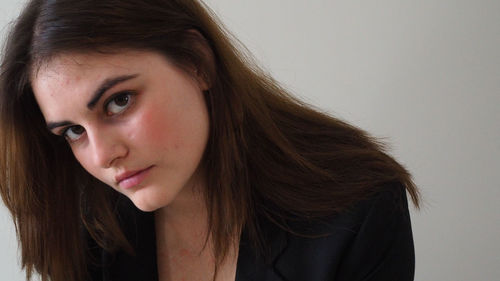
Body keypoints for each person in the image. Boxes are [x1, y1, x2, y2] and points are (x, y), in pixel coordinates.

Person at [0, 0, 420, 280]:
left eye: (118, 102)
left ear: (197, 62)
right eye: (73, 131)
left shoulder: (357, 212)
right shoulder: (86, 220)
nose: (103, 155)